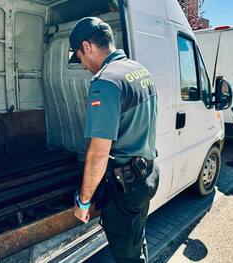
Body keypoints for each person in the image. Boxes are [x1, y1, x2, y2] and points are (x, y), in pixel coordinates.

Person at [69, 17, 159, 262]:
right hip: (147, 174)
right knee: (136, 239)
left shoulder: (105, 82)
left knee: (128, 255)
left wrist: (84, 201)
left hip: (126, 186)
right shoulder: (140, 71)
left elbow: (98, 153)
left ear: (87, 47)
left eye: (79, 57)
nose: (84, 65)